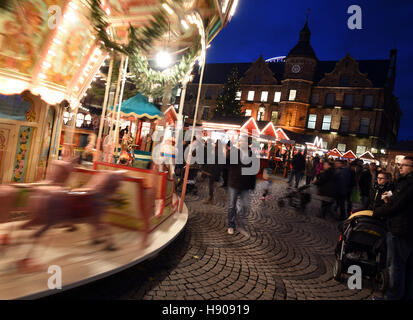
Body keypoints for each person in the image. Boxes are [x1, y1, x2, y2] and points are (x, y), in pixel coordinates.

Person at [373, 156, 413, 300]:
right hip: (407, 231)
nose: (400, 167)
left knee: (395, 267)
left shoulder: (408, 183)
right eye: (399, 164)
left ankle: (392, 297)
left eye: (404, 165)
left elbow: (396, 206)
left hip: (400, 230)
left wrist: (376, 212)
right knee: (407, 269)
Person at [227, 138, 257, 235]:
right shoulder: (235, 153)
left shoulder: (252, 156)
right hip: (234, 183)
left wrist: (252, 185)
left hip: (245, 185)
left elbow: (254, 171)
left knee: (245, 206)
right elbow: (226, 163)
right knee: (232, 206)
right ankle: (231, 225)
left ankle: (240, 223)